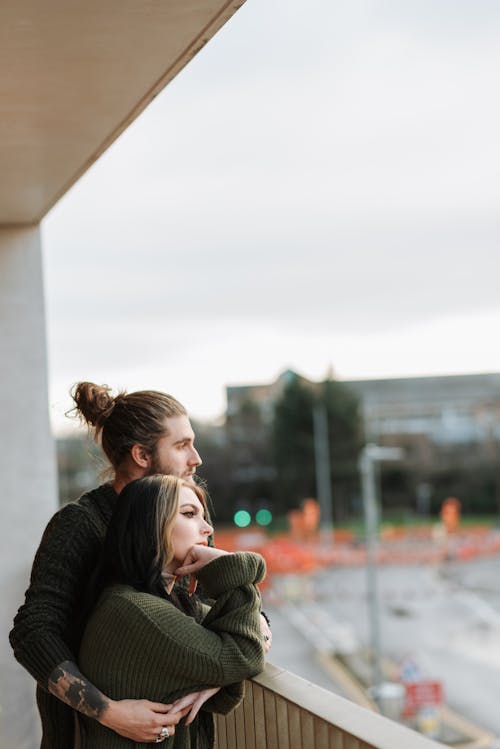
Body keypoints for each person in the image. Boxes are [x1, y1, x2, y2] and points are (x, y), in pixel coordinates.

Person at [10, 382, 272, 748]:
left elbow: (228, 610)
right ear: (141, 455)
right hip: (88, 735)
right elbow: (33, 632)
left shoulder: (185, 519)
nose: (196, 458)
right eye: (181, 446)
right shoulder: (80, 524)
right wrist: (108, 712)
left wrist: (221, 671)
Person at [78, 474, 266, 747]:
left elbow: (246, 639)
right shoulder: (134, 610)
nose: (207, 529)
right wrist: (228, 565)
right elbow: (244, 654)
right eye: (190, 514)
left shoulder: (168, 603)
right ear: (151, 526)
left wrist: (217, 679)